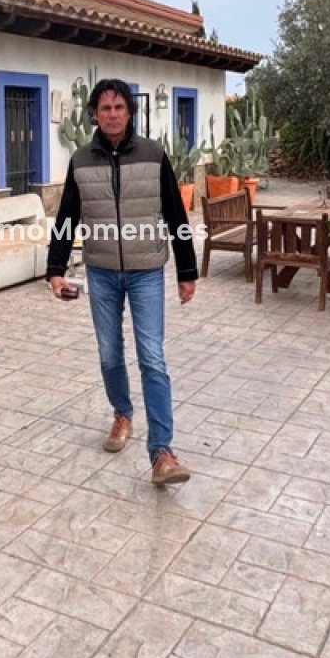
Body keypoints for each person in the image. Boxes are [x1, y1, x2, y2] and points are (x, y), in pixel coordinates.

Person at [45, 79, 198, 485]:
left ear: (129, 112)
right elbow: (67, 216)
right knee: (110, 353)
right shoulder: (81, 161)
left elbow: (176, 214)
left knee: (152, 357)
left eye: (119, 107)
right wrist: (55, 268)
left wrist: (186, 271)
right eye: (105, 108)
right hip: (102, 271)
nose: (112, 114)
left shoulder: (153, 154)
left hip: (147, 271)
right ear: (94, 114)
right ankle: (122, 414)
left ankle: (162, 452)